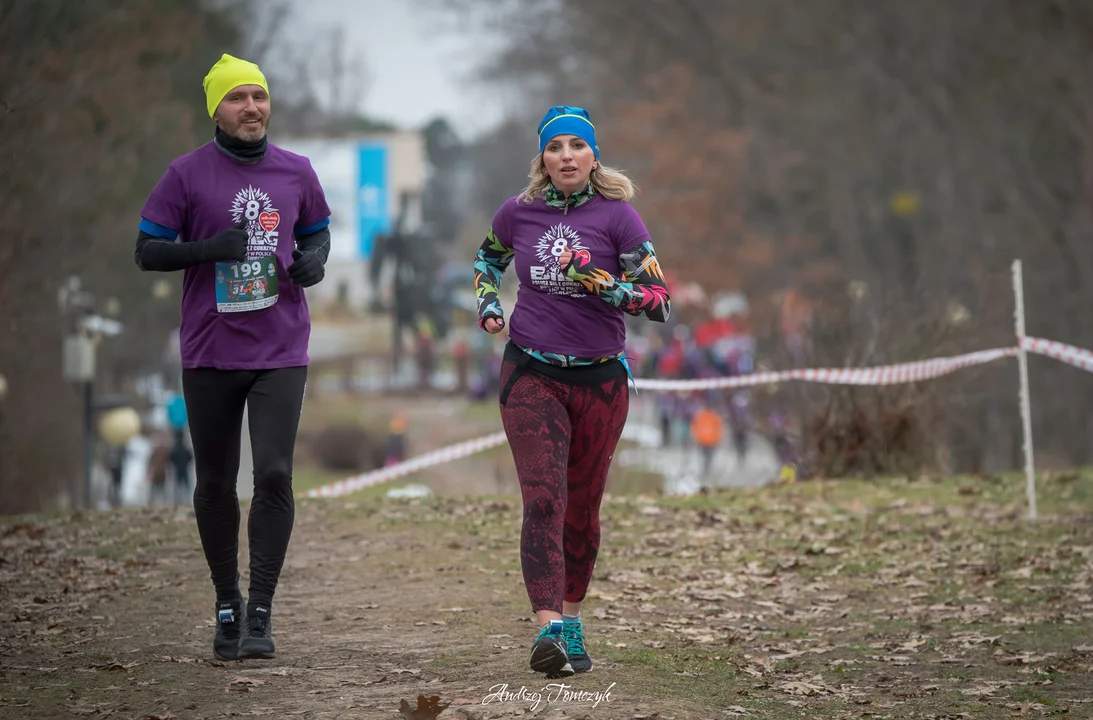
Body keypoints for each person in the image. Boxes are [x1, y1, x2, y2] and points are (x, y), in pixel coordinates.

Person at [133, 53, 332, 661]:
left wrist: (314, 261)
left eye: (259, 96)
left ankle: (262, 611)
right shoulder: (186, 175)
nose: (252, 108)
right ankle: (228, 604)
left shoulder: (296, 171)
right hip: (211, 350)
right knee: (216, 481)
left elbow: (317, 230)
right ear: (216, 109)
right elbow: (147, 251)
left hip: (280, 348)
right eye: (238, 98)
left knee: (273, 473)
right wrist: (207, 249)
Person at [473, 105, 671, 677]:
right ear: (542, 158)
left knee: (581, 512)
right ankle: (548, 630)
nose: (565, 156)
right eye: (554, 147)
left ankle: (574, 622)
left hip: (601, 381)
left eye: (575, 146)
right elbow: (487, 258)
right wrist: (490, 304)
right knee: (543, 501)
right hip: (531, 372)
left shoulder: (620, 219)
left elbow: (659, 302)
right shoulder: (518, 212)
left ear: (593, 155)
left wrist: (598, 279)